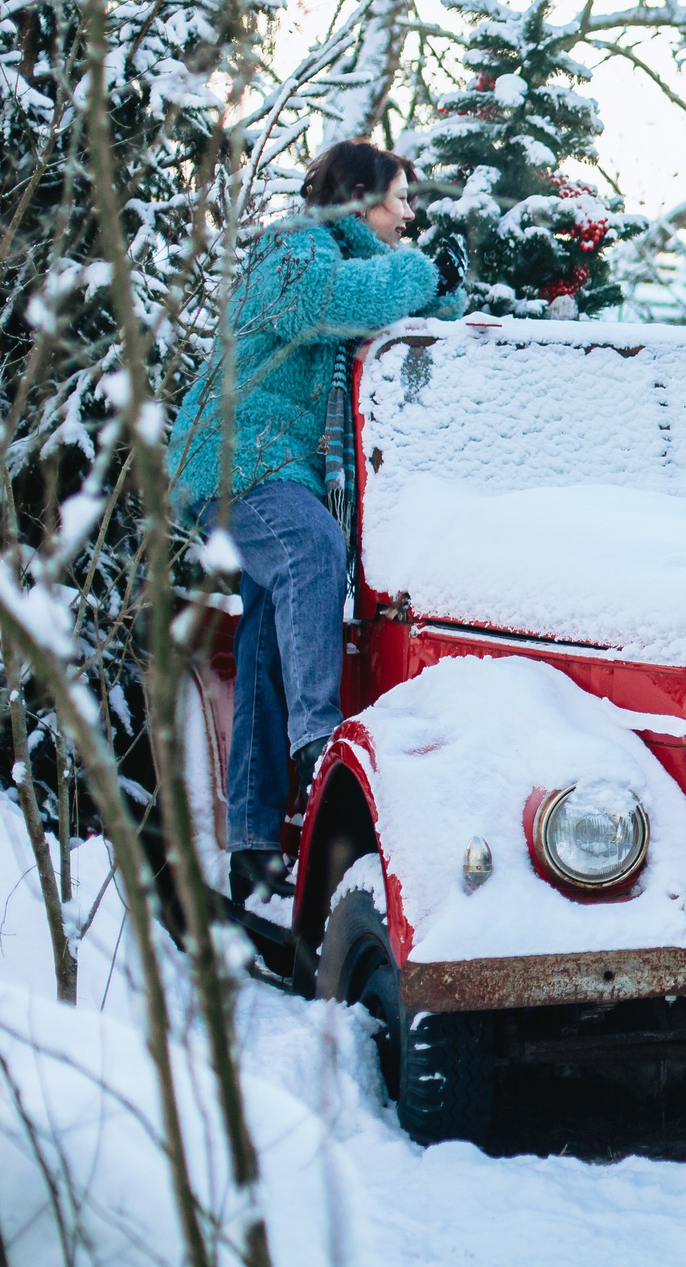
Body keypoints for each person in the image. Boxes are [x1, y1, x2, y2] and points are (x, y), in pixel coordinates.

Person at [167, 139, 464, 906]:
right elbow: (327, 304)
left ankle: (255, 845)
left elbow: (413, 309)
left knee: (265, 637)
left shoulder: (363, 267)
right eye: (401, 198)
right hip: (235, 462)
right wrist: (428, 271)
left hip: (279, 471)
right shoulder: (293, 248)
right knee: (310, 547)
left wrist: (450, 288)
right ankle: (315, 740)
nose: (408, 215)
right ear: (358, 197)